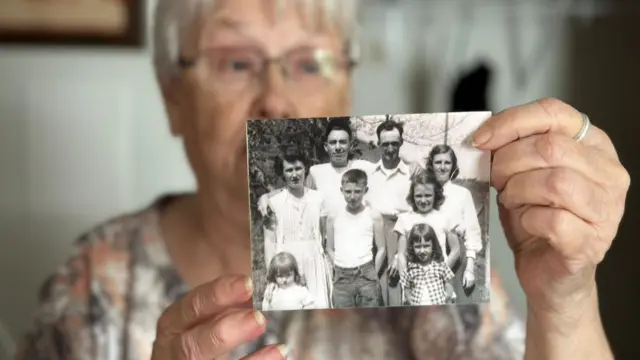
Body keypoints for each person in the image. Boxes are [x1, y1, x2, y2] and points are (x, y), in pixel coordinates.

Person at [14, 0, 629, 359]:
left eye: (310, 63)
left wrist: (565, 301)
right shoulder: (96, 283)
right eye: (235, 62)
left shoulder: (431, 259)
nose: (276, 100)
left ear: (347, 88)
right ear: (173, 99)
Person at [261, 148, 331, 308]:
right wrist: (271, 276)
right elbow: (269, 241)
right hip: (285, 264)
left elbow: (324, 235)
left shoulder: (318, 199)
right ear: (283, 173)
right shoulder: (274, 203)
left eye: (298, 168)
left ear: (305, 169)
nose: (294, 174)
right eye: (289, 170)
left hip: (314, 261)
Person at [365, 119, 422, 306]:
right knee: (377, 292)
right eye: (386, 144)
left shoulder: (412, 174)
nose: (390, 148)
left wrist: (400, 255)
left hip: (402, 236)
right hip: (376, 239)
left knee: (400, 292)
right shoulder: (370, 173)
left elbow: (417, 214)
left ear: (401, 143)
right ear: (379, 144)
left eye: (394, 143)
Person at [425, 144, 484, 301]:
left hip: (457, 257)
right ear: (431, 165)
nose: (443, 167)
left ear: (453, 166)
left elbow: (472, 232)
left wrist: (470, 269)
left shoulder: (463, 194)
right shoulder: (423, 194)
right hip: (427, 255)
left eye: (447, 163)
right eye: (438, 162)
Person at [326, 169, 386, 308]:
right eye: (348, 192)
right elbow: (329, 247)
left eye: (358, 191)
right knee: (345, 321)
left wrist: (373, 274)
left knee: (369, 321)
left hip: (366, 275)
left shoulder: (373, 215)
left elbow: (382, 248)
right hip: (342, 278)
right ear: (341, 190)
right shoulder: (334, 215)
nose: (352, 197)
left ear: (366, 190)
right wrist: (338, 266)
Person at [394, 171, 461, 271]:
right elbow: (401, 254)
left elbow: (456, 250)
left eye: (428, 195)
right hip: (413, 275)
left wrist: (442, 273)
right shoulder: (404, 219)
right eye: (419, 196)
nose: (423, 200)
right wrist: (405, 280)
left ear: (435, 195)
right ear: (412, 196)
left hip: (437, 275)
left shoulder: (445, 217)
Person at [400, 223, 456, 306]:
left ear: (433, 246)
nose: (422, 251)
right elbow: (407, 288)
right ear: (412, 247)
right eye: (418, 247)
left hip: (438, 307)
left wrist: (447, 296)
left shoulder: (440, 265)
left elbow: (449, 282)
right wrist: (409, 300)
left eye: (426, 246)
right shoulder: (410, 269)